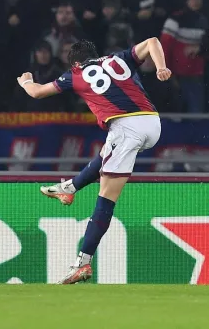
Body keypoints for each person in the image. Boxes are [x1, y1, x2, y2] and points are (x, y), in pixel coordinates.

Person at [17, 37, 171, 284]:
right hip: (153, 121)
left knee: (105, 201)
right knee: (105, 155)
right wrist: (161, 67)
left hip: (125, 126)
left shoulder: (75, 74)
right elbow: (153, 41)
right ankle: (69, 188)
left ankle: (83, 262)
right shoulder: (118, 58)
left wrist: (26, 82)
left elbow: (37, 92)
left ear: (75, 62)